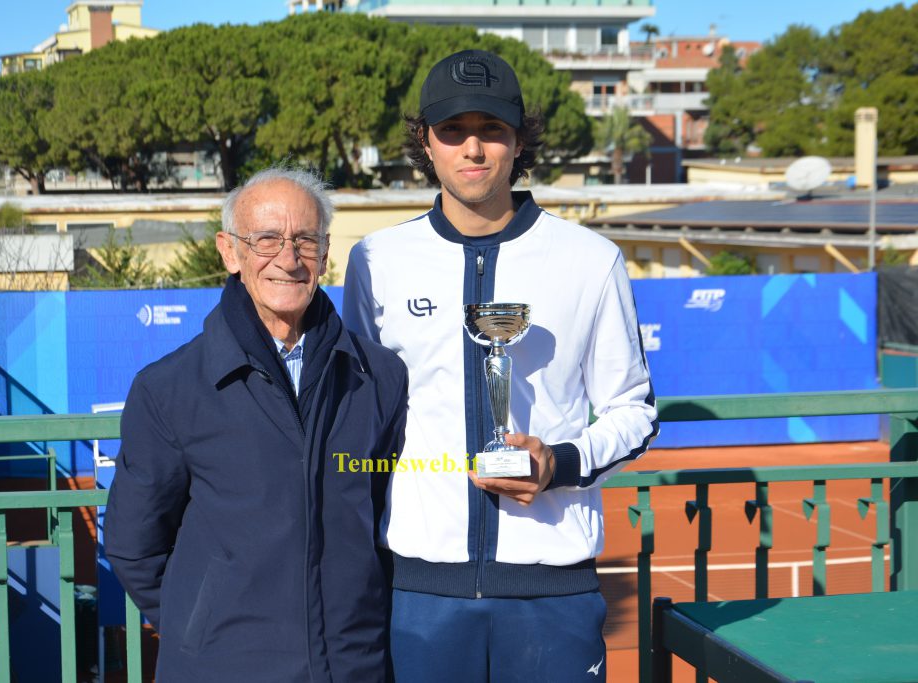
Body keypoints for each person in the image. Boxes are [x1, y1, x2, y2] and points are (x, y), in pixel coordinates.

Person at [343, 49, 659, 681]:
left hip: (553, 593)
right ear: (426, 145)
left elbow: (635, 412)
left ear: (519, 144)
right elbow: (358, 411)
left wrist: (558, 462)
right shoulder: (376, 259)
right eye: (453, 131)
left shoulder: (590, 259)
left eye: (492, 130)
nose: (473, 149)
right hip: (420, 594)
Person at [105, 167, 408, 682]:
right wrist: (200, 625)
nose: (287, 259)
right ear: (230, 251)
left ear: (325, 252)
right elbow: (134, 545)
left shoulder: (377, 376)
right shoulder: (170, 388)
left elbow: (385, 518)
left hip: (352, 665)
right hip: (222, 667)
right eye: (266, 239)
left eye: (304, 241)